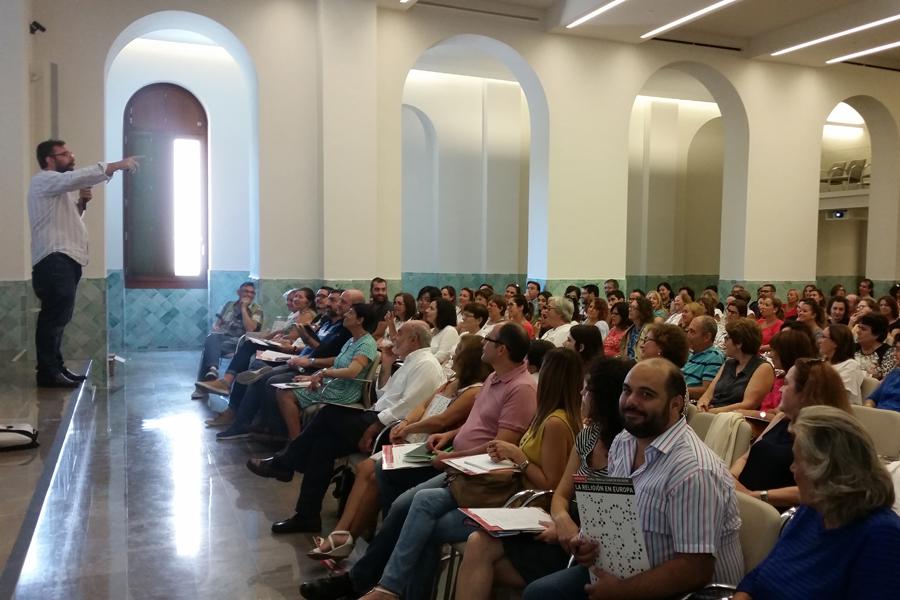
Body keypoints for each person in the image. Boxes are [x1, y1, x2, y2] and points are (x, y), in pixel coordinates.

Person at [300, 323, 537, 600]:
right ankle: (374, 580)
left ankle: (376, 584)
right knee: (395, 492)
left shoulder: (520, 389)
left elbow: (499, 447)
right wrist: (447, 435)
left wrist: (451, 456)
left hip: (480, 479)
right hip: (457, 465)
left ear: (502, 349)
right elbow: (474, 425)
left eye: (489, 340)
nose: (483, 343)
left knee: (414, 513)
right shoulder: (495, 379)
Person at [356, 347, 582, 600]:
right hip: (498, 485)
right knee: (421, 501)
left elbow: (551, 484)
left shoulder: (555, 423)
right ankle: (390, 588)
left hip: (517, 502)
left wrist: (518, 457)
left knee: (423, 524)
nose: (532, 372)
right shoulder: (544, 415)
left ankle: (392, 589)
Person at [522, 359, 743, 599]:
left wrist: (623, 591)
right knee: (539, 593)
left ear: (675, 405)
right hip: (624, 571)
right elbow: (615, 518)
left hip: (683, 592)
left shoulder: (694, 471)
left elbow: (696, 569)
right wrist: (587, 542)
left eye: (646, 395)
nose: (631, 402)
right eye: (627, 391)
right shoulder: (625, 441)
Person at [454, 357, 633, 600]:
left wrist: (575, 531)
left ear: (605, 397)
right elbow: (561, 493)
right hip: (562, 526)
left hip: (589, 545)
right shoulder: (589, 436)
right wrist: (561, 520)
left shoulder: (627, 448)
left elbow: (620, 525)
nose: (581, 393)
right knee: (477, 542)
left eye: (588, 389)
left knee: (486, 568)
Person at [245, 321, 444, 533]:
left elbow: (408, 407)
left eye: (400, 334)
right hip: (378, 418)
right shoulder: (411, 361)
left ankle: (285, 462)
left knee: (328, 413)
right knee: (323, 445)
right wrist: (387, 364)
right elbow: (385, 397)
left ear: (414, 339)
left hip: (393, 432)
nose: (394, 338)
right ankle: (306, 515)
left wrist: (374, 426)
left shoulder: (426, 364)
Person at [309, 335, 492, 559]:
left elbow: (442, 420)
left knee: (373, 474)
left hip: (432, 447)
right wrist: (406, 423)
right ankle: (343, 534)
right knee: (368, 468)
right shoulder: (451, 382)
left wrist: (409, 428)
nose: (454, 353)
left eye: (460, 349)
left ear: (470, 358)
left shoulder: (474, 391)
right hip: (415, 438)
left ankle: (347, 538)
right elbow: (423, 405)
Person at [734, 406, 900, 600]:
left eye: (798, 460)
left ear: (825, 467)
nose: (792, 468)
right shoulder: (813, 510)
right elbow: (759, 576)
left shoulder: (881, 536)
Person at [28, 139, 139, 387]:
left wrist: (82, 204)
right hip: (54, 261)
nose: (71, 156)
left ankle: (56, 368)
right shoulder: (44, 179)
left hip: (63, 260)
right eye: (64, 154)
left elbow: (67, 221)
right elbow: (76, 178)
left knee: (59, 318)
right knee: (53, 318)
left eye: (70, 151)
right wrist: (117, 165)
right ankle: (47, 373)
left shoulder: (56, 188)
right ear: (49, 159)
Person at [731, 359, 851, 511]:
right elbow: (747, 456)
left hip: (775, 511)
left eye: (787, 384)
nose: (780, 390)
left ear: (806, 393)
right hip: (742, 499)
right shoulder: (781, 418)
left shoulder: (827, 434)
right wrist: (732, 478)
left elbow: (815, 489)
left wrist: (754, 496)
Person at [266, 303, 379, 440]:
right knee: (285, 387)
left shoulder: (366, 344)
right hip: (332, 383)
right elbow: (338, 364)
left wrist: (323, 373)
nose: (345, 315)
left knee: (285, 394)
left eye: (350, 313)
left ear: (360, 320)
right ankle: (297, 440)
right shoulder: (352, 340)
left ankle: (294, 442)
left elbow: (352, 372)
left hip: (343, 390)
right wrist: (313, 376)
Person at [697, 318, 774, 413]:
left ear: (739, 343)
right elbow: (708, 394)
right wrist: (702, 404)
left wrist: (712, 412)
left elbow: (749, 404)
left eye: (727, 338)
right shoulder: (729, 364)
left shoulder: (763, 368)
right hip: (713, 413)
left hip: (735, 420)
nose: (724, 342)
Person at [195, 281, 265, 383]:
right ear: (238, 292)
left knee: (209, 349)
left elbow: (250, 329)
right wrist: (216, 327)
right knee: (211, 338)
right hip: (224, 338)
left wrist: (244, 308)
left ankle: (203, 385)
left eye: (252, 293)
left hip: (241, 343)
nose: (249, 295)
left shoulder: (257, 309)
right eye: (246, 291)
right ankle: (213, 370)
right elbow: (217, 323)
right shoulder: (229, 305)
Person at [756, 328, 817, 413]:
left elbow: (782, 415)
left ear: (787, 352)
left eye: (774, 350)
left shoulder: (805, 382)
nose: (770, 355)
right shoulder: (780, 378)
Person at [818, 324, 865, 405]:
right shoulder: (822, 362)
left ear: (835, 343)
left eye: (823, 337)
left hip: (839, 411)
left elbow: (838, 396)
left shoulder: (850, 366)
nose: (819, 341)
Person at [683, 316, 725, 400]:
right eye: (688, 330)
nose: (687, 335)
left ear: (707, 337)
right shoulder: (690, 353)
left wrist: (678, 390)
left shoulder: (714, 357)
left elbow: (706, 391)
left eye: (692, 332)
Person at [855, 313, 896, 380]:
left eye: (863, 329)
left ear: (877, 334)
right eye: (859, 327)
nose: (858, 331)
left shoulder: (889, 352)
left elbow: (886, 382)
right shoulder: (852, 348)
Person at [866, 337, 900, 411]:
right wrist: (868, 409)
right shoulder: (894, 373)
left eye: (898, 350)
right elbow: (872, 399)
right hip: (879, 417)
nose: (894, 354)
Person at [423, 298, 460, 365]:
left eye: (431, 308)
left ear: (442, 312)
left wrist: (421, 364)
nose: (426, 310)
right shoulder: (431, 330)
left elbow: (442, 356)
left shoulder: (450, 330)